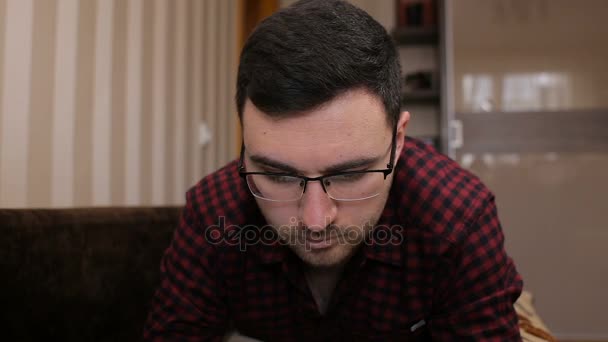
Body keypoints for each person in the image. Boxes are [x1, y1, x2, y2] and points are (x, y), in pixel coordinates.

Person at [143, 0, 523, 340]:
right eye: (278, 175)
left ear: (399, 140)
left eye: (348, 174)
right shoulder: (214, 211)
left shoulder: (458, 216)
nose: (314, 220)